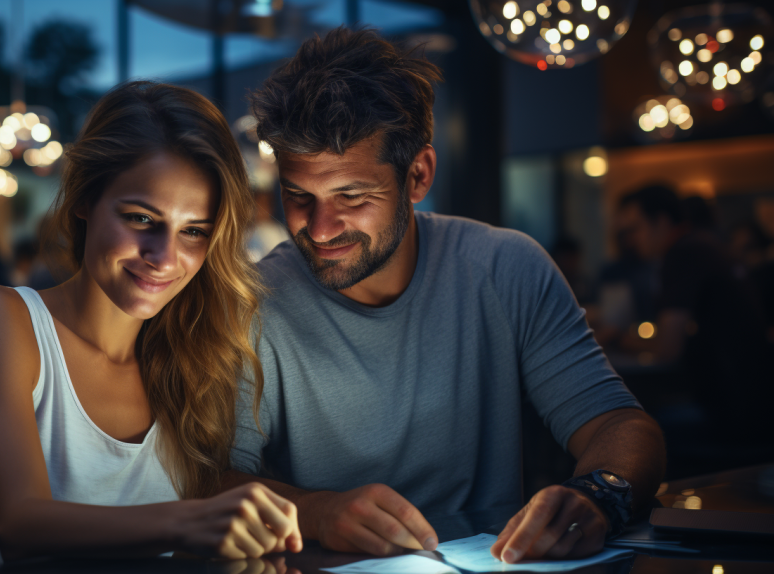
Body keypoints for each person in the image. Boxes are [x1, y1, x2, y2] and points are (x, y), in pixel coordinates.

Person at [223, 28, 666, 564]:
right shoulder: (253, 302)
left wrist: (597, 495)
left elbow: (620, 425)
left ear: (418, 175)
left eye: (352, 196)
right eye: (299, 197)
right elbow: (209, 480)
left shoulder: (506, 268)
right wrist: (316, 512)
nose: (319, 229)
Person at [0, 82, 301, 569]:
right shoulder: (1, 317)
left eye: (194, 231)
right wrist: (190, 520)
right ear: (83, 201)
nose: (164, 258)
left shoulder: (195, 356)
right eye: (141, 218)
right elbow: (18, 526)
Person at [617, 186, 773, 443]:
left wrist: (618, 340)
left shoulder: (684, 253)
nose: (631, 240)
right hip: (752, 400)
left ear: (661, 222)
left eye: (636, 228)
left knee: (631, 431)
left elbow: (668, 348)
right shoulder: (702, 244)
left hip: (732, 412)